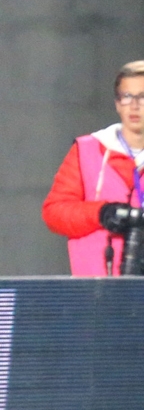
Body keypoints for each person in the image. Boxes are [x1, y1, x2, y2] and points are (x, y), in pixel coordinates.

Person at [43, 60, 144, 275]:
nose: (134, 105)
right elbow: (55, 212)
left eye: (143, 97)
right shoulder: (87, 150)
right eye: (127, 97)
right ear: (117, 103)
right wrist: (101, 213)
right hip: (95, 290)